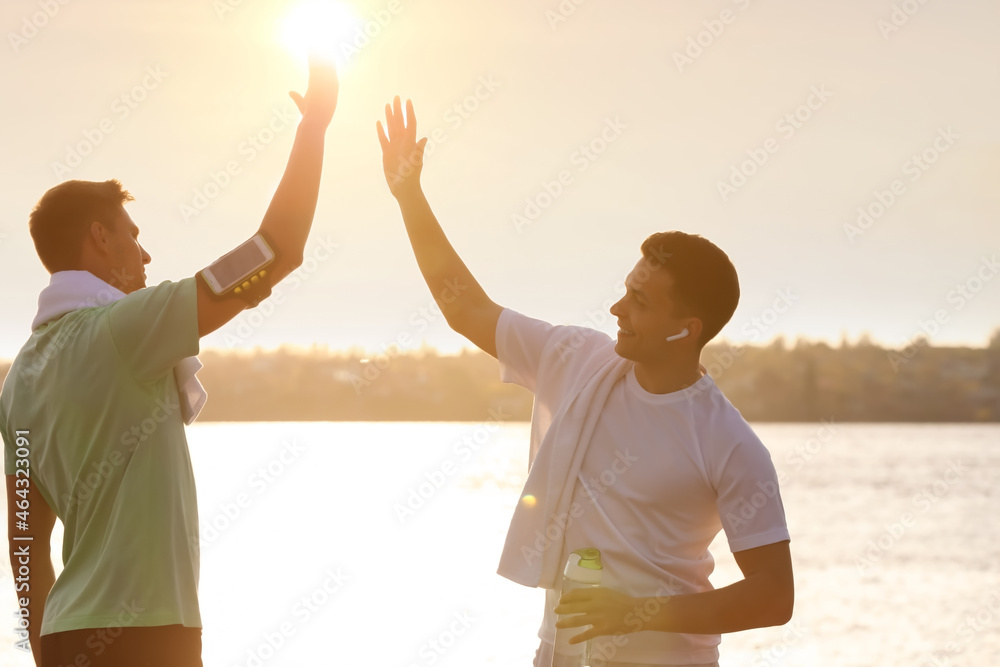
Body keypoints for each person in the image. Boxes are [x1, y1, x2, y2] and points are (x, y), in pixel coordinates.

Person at [376, 96, 793, 667]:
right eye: (626, 288)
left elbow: (773, 597)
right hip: (562, 653)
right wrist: (408, 195)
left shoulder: (729, 443)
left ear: (685, 330)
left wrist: (638, 613)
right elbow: (465, 308)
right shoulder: (574, 358)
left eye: (640, 301)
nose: (618, 308)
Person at [1, 60, 339, 666]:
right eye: (133, 235)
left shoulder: (19, 380)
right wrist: (313, 127)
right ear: (100, 239)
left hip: (67, 638)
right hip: (147, 634)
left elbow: (26, 538)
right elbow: (274, 251)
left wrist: (45, 656)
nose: (147, 253)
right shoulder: (124, 329)